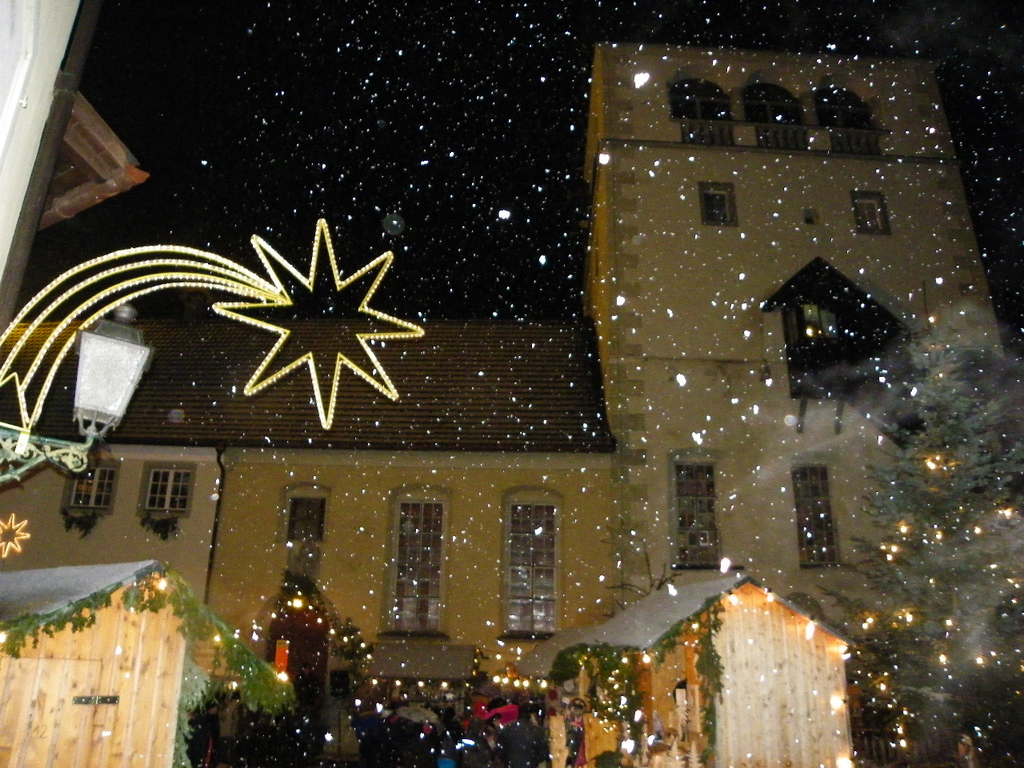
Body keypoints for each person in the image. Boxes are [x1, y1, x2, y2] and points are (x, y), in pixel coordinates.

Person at [497, 703, 548, 768]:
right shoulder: (537, 731)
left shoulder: (507, 729)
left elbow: (499, 751)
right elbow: (543, 753)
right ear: (531, 715)